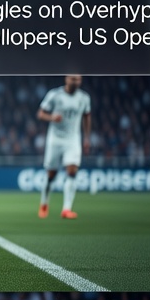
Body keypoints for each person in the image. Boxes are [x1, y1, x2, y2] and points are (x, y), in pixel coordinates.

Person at [36, 74, 91, 220]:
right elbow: (40, 113)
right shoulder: (54, 95)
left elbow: (87, 116)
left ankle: (66, 209)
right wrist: (52, 117)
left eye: (78, 79)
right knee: (51, 175)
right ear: (66, 79)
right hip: (55, 139)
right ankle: (44, 203)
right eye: (73, 79)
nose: (76, 82)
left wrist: (87, 138)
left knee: (72, 171)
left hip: (73, 140)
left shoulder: (84, 98)